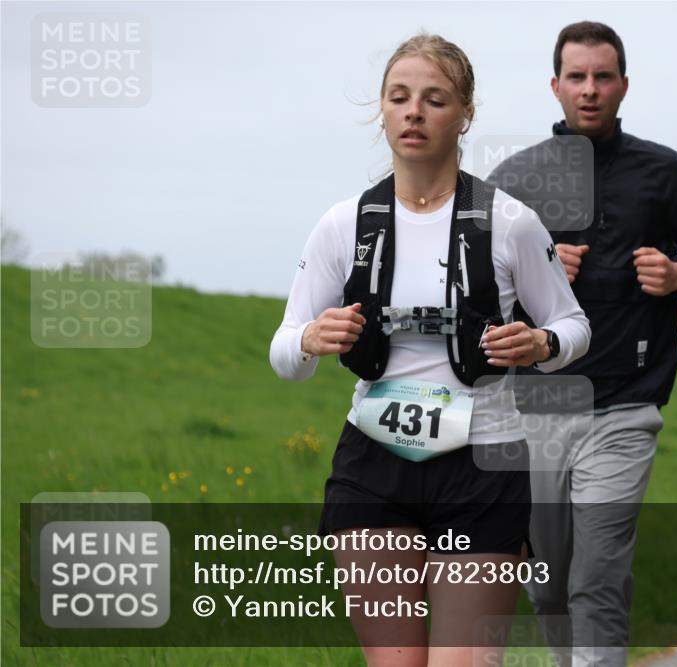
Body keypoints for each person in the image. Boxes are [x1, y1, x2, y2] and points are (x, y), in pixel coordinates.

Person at [269, 34, 591, 666]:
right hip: (373, 466)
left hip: (484, 467)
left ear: (465, 114)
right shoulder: (345, 224)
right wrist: (308, 339)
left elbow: (573, 327)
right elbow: (284, 352)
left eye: (434, 99)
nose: (414, 111)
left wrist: (540, 342)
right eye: (399, 97)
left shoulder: (512, 222)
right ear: (382, 112)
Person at [488, 21, 677, 667]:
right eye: (577, 77)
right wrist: (530, 275)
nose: (590, 90)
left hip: (625, 407)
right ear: (555, 85)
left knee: (595, 578)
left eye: (603, 76)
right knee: (546, 587)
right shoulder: (515, 179)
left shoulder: (662, 171)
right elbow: (477, 295)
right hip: (534, 410)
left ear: (623, 84)